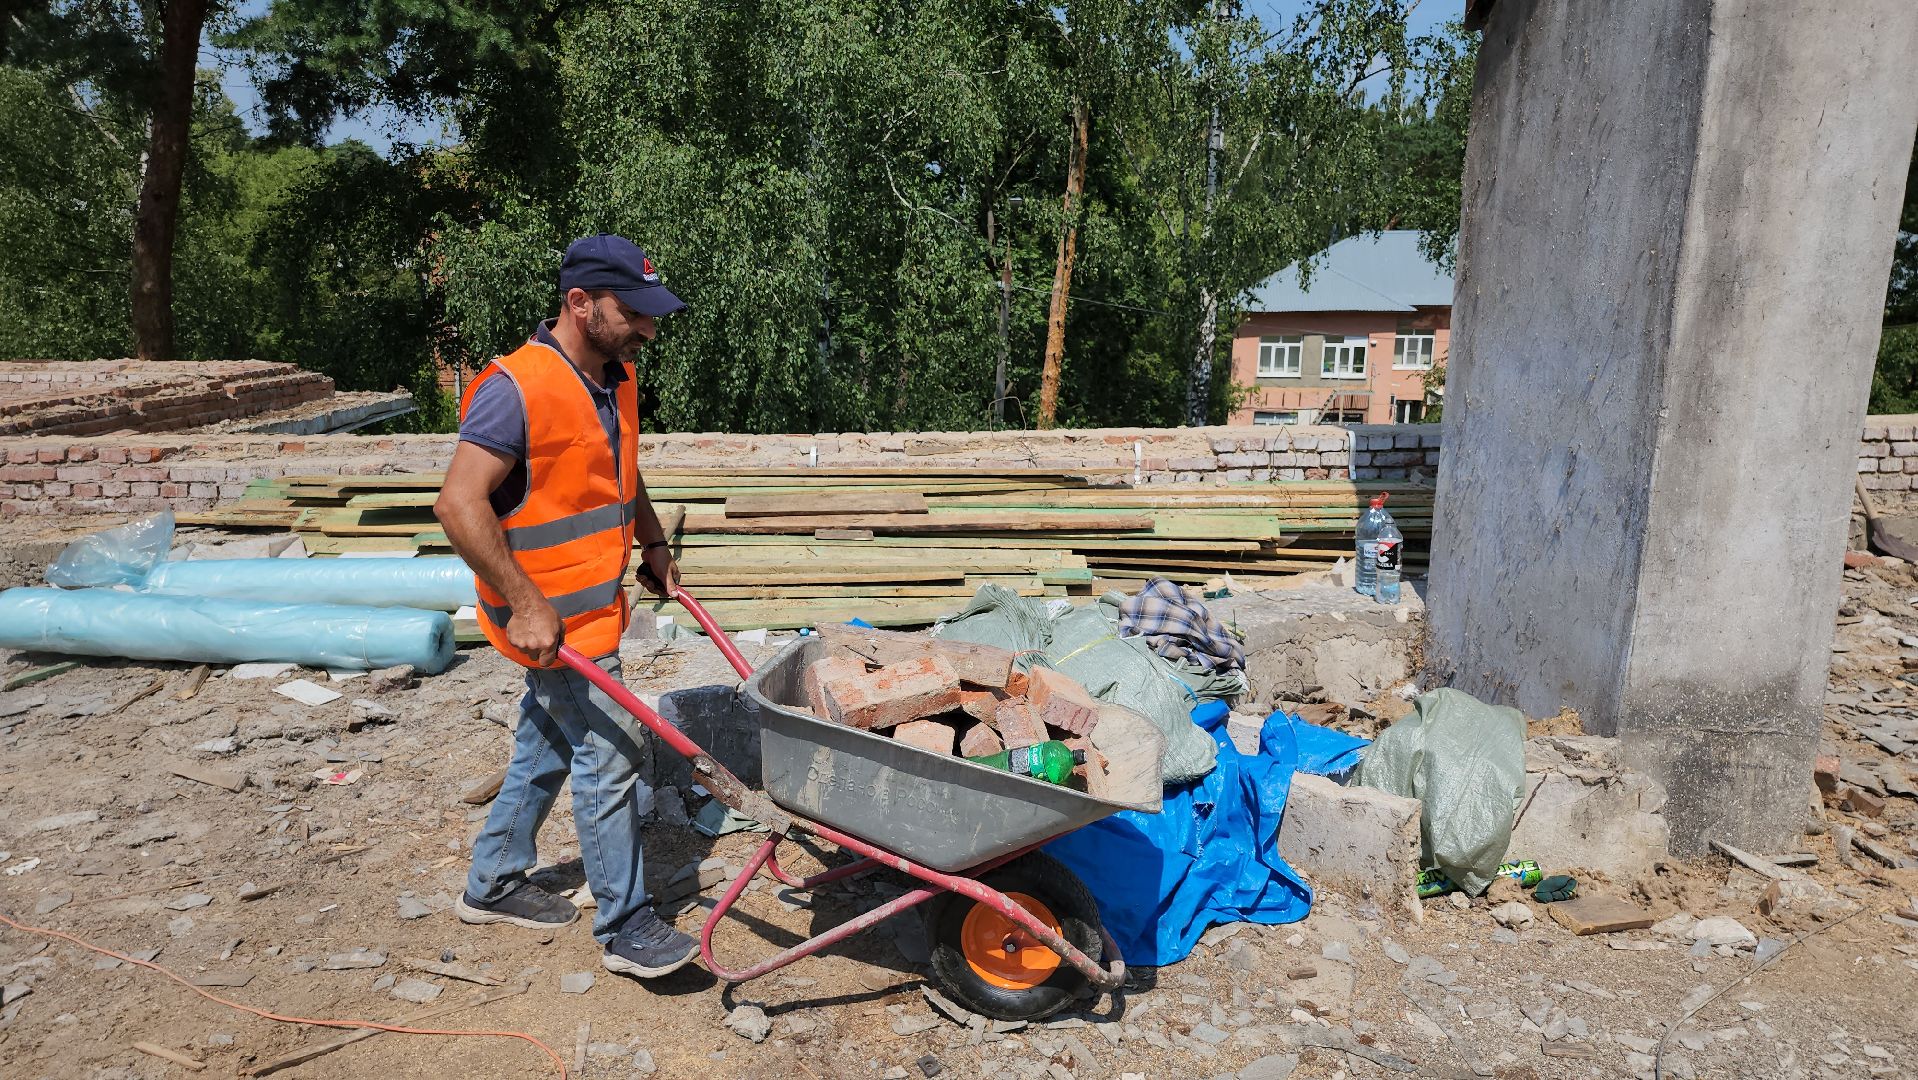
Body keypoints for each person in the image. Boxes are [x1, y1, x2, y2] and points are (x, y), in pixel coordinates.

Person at [434, 233, 697, 980]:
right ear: (580, 304)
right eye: (634, 312)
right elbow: (458, 504)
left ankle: (492, 882)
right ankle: (625, 925)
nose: (648, 327)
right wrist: (525, 602)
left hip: (588, 610)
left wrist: (650, 543)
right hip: (544, 617)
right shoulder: (515, 389)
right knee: (612, 752)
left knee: (547, 741)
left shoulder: (614, 377)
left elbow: (617, 471)